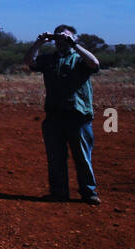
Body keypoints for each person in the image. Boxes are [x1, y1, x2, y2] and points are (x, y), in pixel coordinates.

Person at [23, 25, 101, 204]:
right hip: (54, 116)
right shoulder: (49, 59)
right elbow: (29, 61)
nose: (61, 42)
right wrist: (39, 42)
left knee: (82, 157)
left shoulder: (79, 59)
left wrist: (74, 45)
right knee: (55, 158)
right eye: (59, 38)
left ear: (74, 39)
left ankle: (89, 192)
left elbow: (95, 64)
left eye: (66, 38)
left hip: (78, 117)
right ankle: (59, 192)